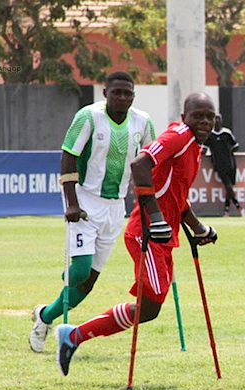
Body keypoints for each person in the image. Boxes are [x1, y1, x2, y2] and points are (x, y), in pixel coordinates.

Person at [55, 92, 219, 376]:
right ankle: (73, 335)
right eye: (197, 116)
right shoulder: (179, 136)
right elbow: (140, 165)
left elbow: (177, 198)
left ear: (217, 120)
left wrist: (198, 228)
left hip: (163, 236)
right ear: (184, 117)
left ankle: (74, 335)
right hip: (146, 233)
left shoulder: (195, 146)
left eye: (209, 117)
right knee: (150, 307)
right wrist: (155, 219)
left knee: (149, 309)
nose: (203, 122)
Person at [28, 71, 156, 353]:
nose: (122, 98)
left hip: (115, 206)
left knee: (88, 283)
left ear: (133, 95)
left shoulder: (143, 122)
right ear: (105, 93)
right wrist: (71, 203)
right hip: (85, 201)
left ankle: (44, 316)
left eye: (128, 93)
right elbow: (68, 156)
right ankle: (69, 272)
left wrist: (149, 206)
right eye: (117, 93)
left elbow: (148, 164)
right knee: (80, 272)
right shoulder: (88, 116)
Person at [205, 113, 244, 217]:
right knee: (228, 186)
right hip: (219, 165)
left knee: (229, 187)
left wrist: (228, 151)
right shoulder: (210, 135)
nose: (217, 121)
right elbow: (203, 147)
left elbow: (236, 146)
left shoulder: (227, 133)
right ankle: (238, 206)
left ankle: (226, 210)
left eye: (219, 119)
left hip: (230, 163)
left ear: (221, 121)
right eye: (215, 119)